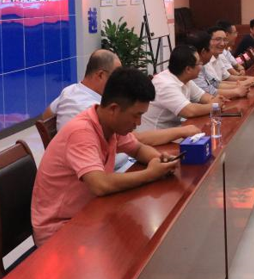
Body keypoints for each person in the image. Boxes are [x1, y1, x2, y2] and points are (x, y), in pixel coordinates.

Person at [31, 68, 178, 246]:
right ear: (114, 109)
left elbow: (138, 149)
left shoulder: (110, 125)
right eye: (136, 115)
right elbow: (100, 184)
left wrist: (159, 159)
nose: (138, 123)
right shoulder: (81, 132)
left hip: (91, 212)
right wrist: (150, 174)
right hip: (60, 231)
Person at [43, 49, 200, 146]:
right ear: (100, 75)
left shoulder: (70, 90)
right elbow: (134, 139)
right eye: (117, 75)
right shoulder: (91, 109)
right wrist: (181, 131)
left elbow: (46, 116)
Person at [140, 45, 225, 131]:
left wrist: (215, 100)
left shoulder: (184, 78)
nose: (201, 66)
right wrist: (215, 105)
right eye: (199, 63)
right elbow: (189, 111)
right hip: (156, 134)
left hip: (174, 130)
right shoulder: (165, 84)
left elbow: (204, 97)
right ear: (188, 69)